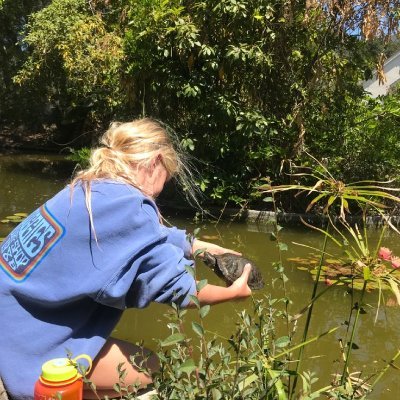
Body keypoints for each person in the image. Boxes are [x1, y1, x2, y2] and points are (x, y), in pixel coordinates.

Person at [0, 118, 252, 399]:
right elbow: (180, 291)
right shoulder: (129, 203)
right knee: (161, 370)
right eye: (166, 176)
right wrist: (232, 292)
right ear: (156, 161)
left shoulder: (87, 187)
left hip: (12, 317)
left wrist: (197, 247)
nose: (161, 188)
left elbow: (145, 233)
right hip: (27, 343)